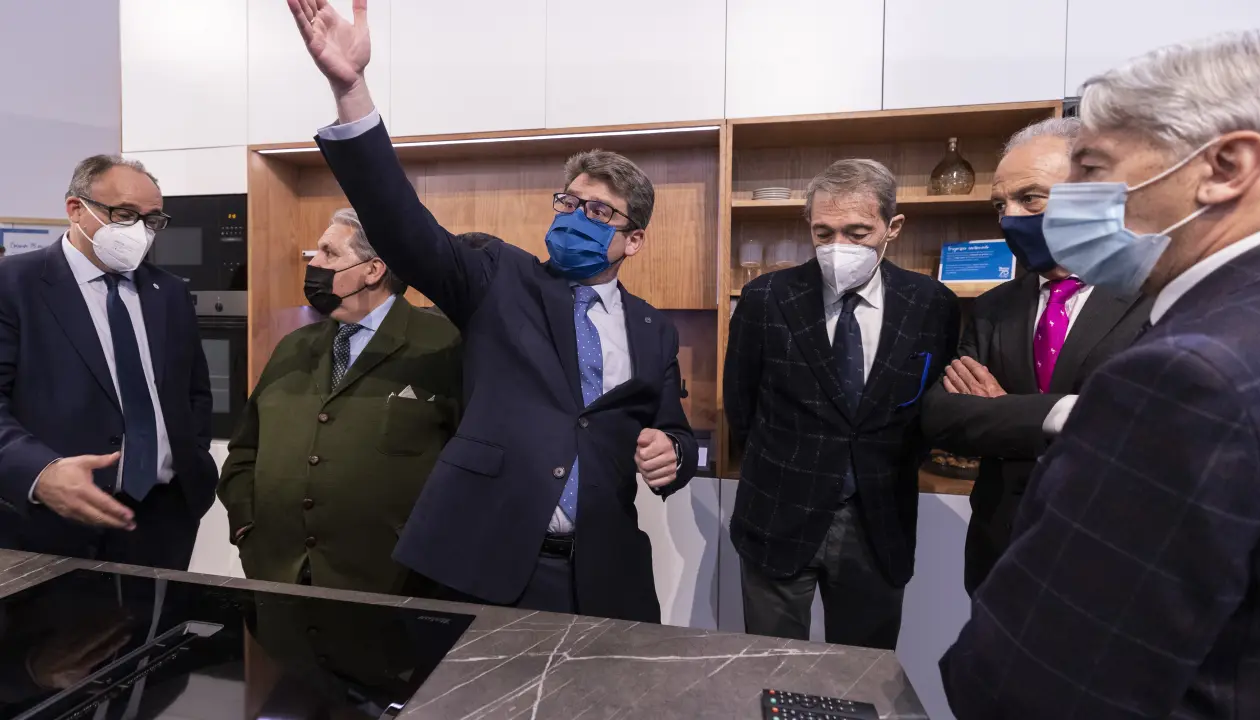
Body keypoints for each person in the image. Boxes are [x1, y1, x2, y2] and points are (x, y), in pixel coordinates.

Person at [284, 0, 697, 623]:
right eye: (569, 202)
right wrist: (351, 91)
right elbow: (402, 225)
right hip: (483, 564)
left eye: (599, 212)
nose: (576, 217)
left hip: (603, 574)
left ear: (633, 239)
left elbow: (674, 432)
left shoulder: (652, 329)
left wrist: (674, 453)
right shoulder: (498, 276)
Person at [942, 29, 1260, 719]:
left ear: (1227, 166)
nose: (1078, 201)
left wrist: (1072, 412)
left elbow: (1031, 680)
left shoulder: (1188, 371)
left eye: (1093, 168)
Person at [724, 159, 959, 649]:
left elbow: (928, 410)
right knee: (770, 667)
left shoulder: (930, 303)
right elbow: (741, 403)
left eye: (857, 232)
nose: (839, 246)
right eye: (823, 232)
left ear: (893, 226)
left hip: (878, 519)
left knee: (864, 672)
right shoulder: (766, 298)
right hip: (777, 512)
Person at [921, 117, 1152, 596]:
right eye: (999, 205)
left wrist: (1006, 412)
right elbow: (944, 416)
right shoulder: (993, 306)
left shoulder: (1159, 294)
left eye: (1030, 198)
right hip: (1000, 551)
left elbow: (1140, 427)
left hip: (1113, 559)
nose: (1009, 219)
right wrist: (1069, 412)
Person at [217, 208, 462, 595]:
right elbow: (244, 450)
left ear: (373, 270)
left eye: (329, 253)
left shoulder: (443, 345)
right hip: (279, 576)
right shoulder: (293, 346)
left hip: (393, 585)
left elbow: (473, 465)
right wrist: (246, 525)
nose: (314, 263)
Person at [0, 155, 217, 570]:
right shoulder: (14, 285)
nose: (138, 231)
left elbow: (194, 394)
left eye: (151, 220)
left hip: (163, 516)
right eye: (124, 215)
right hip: (50, 521)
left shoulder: (169, 292)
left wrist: (194, 464)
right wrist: (40, 472)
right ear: (75, 209)